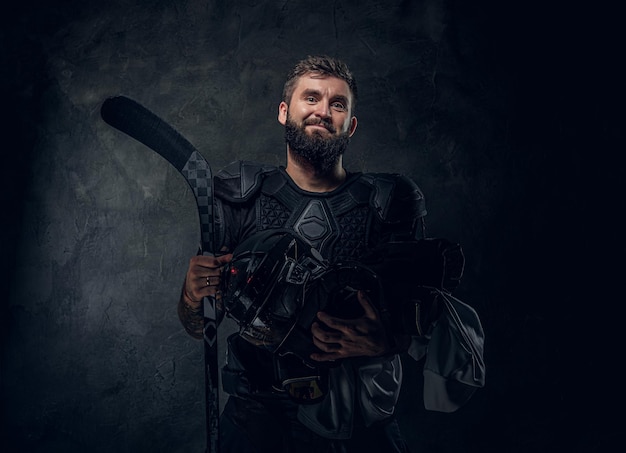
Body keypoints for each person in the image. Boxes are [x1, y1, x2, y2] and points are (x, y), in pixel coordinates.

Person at [177, 55, 485, 452]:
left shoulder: (389, 202)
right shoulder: (240, 195)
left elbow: (421, 316)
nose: (323, 111)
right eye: (311, 98)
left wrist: (388, 339)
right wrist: (190, 296)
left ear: (350, 126)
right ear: (284, 111)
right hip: (256, 418)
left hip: (359, 422)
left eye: (337, 104)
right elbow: (199, 323)